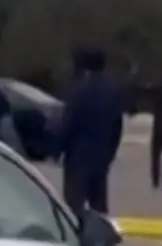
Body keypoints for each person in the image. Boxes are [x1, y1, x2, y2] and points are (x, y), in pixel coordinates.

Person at [59, 49, 124, 221]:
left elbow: (68, 122)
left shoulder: (79, 90)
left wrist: (57, 149)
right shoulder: (113, 90)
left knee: (73, 205)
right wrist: (110, 153)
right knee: (98, 203)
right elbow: (118, 126)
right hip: (102, 155)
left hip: (78, 155)